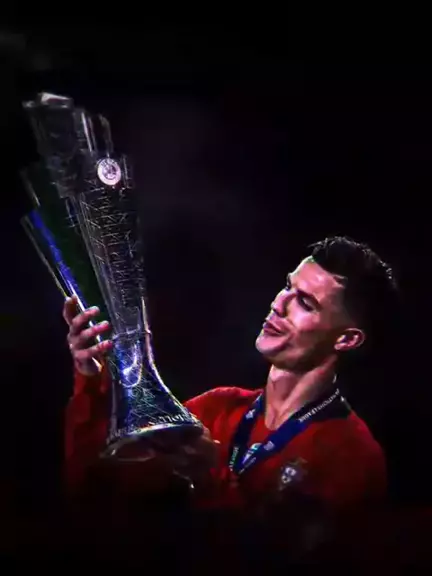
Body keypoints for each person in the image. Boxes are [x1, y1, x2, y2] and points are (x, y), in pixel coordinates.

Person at [62, 235, 400, 562]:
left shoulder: (352, 455)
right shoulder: (217, 408)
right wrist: (91, 379)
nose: (278, 304)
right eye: (287, 287)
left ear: (346, 339)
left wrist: (210, 476)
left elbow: (275, 560)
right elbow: (97, 492)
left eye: (305, 303)